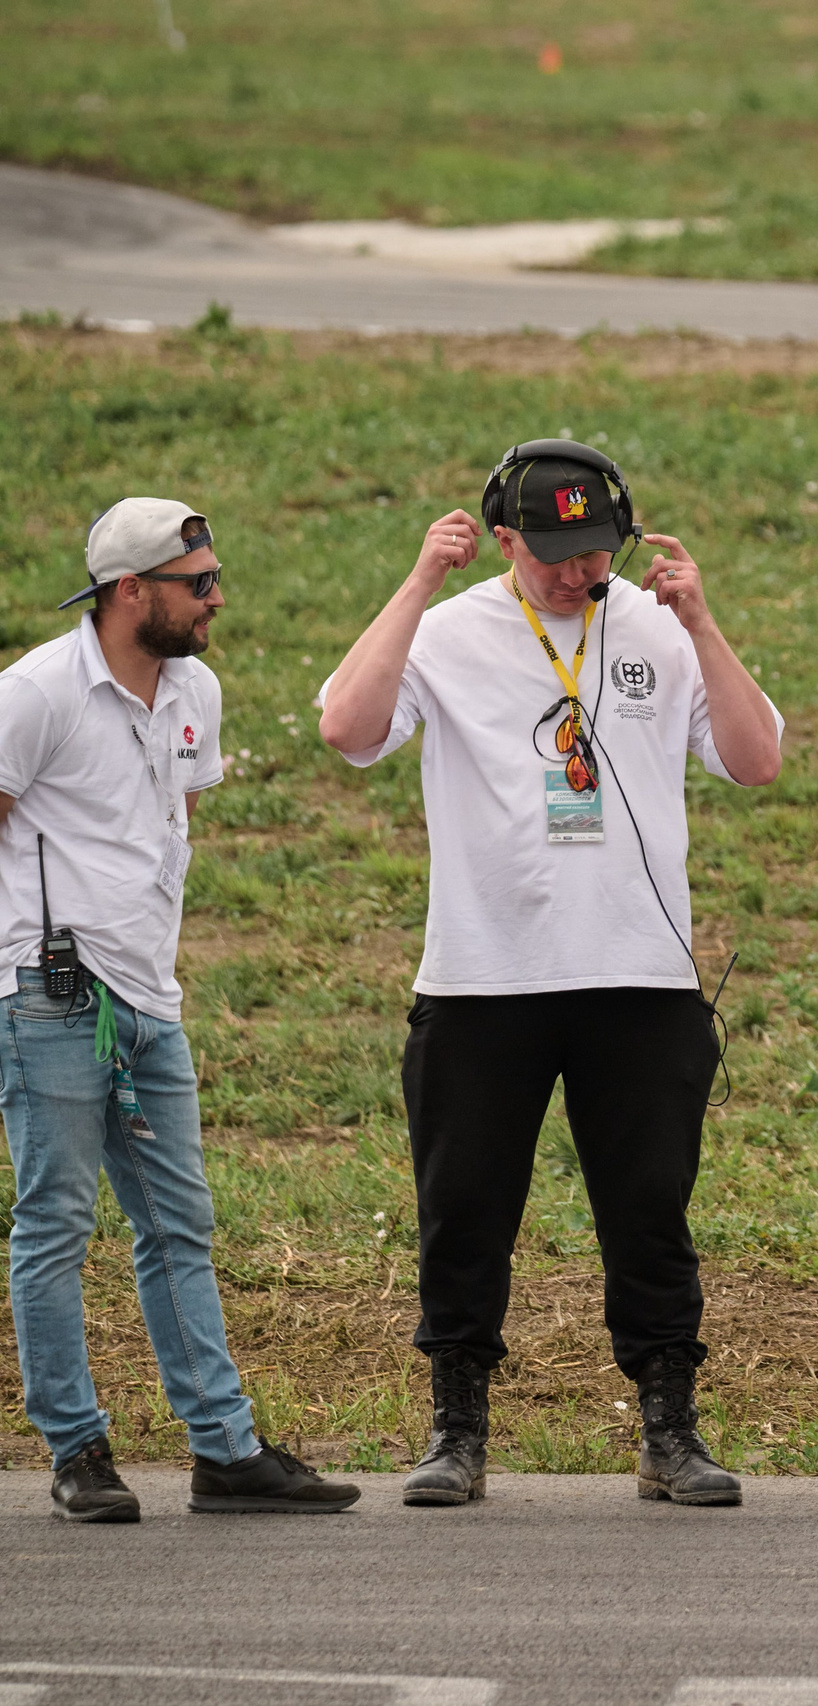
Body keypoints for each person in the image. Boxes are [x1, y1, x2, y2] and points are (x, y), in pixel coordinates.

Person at [317, 439, 782, 1509]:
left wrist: (702, 621)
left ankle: (669, 1425)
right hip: (485, 980)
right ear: (507, 537)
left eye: (600, 551)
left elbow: (756, 760)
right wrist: (420, 580)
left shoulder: (659, 630)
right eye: (560, 553)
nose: (582, 573)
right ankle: (456, 1425)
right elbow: (349, 730)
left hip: (639, 980)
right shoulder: (447, 630)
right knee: (464, 1208)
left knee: (649, 1210)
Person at [4, 499, 358, 1520]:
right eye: (197, 581)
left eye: (213, 576)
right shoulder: (34, 693)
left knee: (178, 1225)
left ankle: (224, 1448)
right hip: (49, 996)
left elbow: (170, 826)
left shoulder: (195, 686)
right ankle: (75, 1449)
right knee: (56, 1222)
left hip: (150, 997)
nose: (216, 597)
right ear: (130, 591)